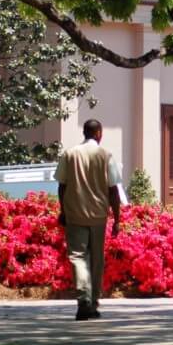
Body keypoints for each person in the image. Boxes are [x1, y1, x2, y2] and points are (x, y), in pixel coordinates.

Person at [55, 119, 122, 321]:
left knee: (78, 257)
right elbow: (113, 190)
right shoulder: (106, 155)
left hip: (75, 213)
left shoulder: (70, 154)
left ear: (84, 133)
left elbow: (62, 186)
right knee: (96, 260)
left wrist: (63, 210)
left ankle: (83, 298)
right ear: (99, 133)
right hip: (99, 215)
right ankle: (92, 303)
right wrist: (117, 218)